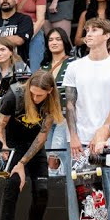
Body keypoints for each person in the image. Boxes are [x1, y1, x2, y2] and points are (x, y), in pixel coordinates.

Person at [62, 19, 110, 220]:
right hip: (78, 141)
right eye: (87, 30)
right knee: (76, 193)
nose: (88, 34)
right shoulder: (74, 67)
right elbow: (69, 105)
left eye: (94, 30)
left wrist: (102, 135)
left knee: (104, 193)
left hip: (105, 141)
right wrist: (73, 136)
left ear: (107, 35)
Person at [0, 69, 60, 220]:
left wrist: (23, 163)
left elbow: (42, 136)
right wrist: (4, 147)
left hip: (35, 147)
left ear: (49, 91)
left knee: (42, 193)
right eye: (33, 93)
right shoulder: (14, 95)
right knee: (12, 188)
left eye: (40, 94)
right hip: (13, 145)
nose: (36, 97)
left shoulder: (51, 102)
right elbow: (0, 125)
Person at [41, 27, 75, 174]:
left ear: (64, 42)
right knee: (49, 155)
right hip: (46, 117)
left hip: (63, 116)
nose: (54, 42)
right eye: (50, 40)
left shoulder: (73, 63)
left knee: (55, 157)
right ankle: (55, 192)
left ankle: (61, 191)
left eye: (58, 39)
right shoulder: (44, 66)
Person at [10, 0, 48, 68]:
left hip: (34, 34)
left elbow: (40, 20)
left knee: (34, 70)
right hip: (14, 35)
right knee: (16, 72)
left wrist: (26, 37)